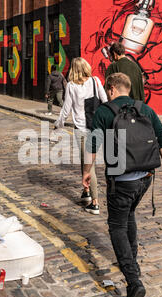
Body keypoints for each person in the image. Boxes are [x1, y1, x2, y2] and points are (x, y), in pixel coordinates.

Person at [83, 72, 162, 297]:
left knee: (116, 226)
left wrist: (86, 172)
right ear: (129, 88)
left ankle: (133, 281)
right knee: (129, 214)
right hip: (145, 178)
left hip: (121, 180)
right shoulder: (145, 109)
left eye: (108, 90)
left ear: (112, 89)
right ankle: (132, 262)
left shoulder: (105, 111)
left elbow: (92, 144)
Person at [54, 57, 107, 215]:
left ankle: (95, 203)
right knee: (86, 163)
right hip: (97, 127)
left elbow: (66, 108)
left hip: (82, 129)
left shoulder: (71, 86)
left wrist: (59, 124)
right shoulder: (96, 81)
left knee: (88, 166)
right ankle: (86, 192)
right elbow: (105, 101)